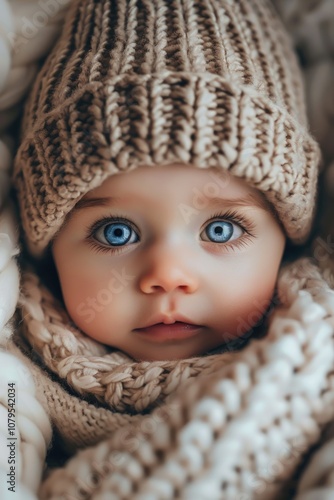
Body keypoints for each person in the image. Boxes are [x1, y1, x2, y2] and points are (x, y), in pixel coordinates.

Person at [7, 0, 334, 498]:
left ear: (288, 239)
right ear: (49, 248)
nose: (168, 274)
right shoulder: (17, 381)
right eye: (116, 232)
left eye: (221, 230)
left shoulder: (317, 357)